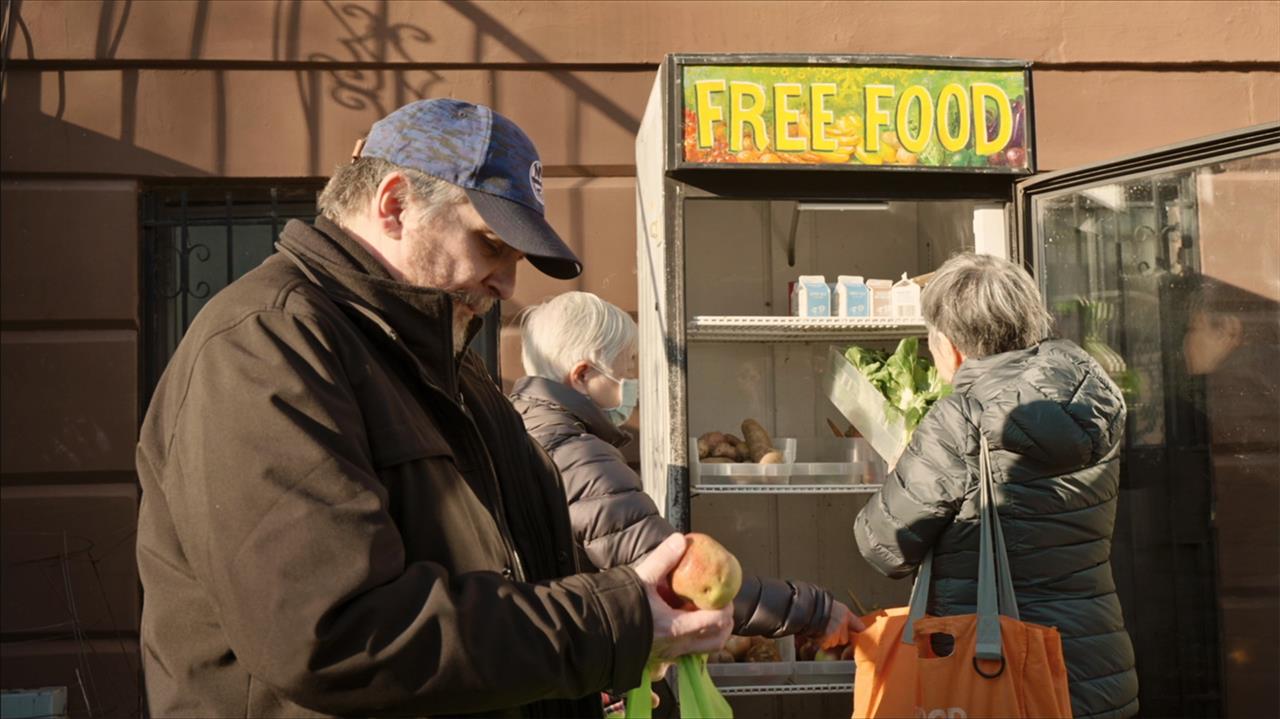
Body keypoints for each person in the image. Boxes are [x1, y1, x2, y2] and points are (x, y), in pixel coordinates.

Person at [134, 99, 732, 719]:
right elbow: (339, 634)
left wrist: (629, 627)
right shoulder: (264, 344)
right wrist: (614, 623)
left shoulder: (449, 367)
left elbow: (517, 574)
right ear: (395, 205)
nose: (507, 283)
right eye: (492, 244)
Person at [854, 253, 1139, 719]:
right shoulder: (1092, 395)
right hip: (1093, 665)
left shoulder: (959, 417)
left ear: (952, 344)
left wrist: (901, 466)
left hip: (998, 672)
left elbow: (883, 545)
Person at [511, 292, 859, 641]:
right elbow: (678, 577)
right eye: (625, 367)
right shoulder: (578, 456)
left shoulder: (519, 426)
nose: (632, 378)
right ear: (583, 375)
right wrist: (814, 610)